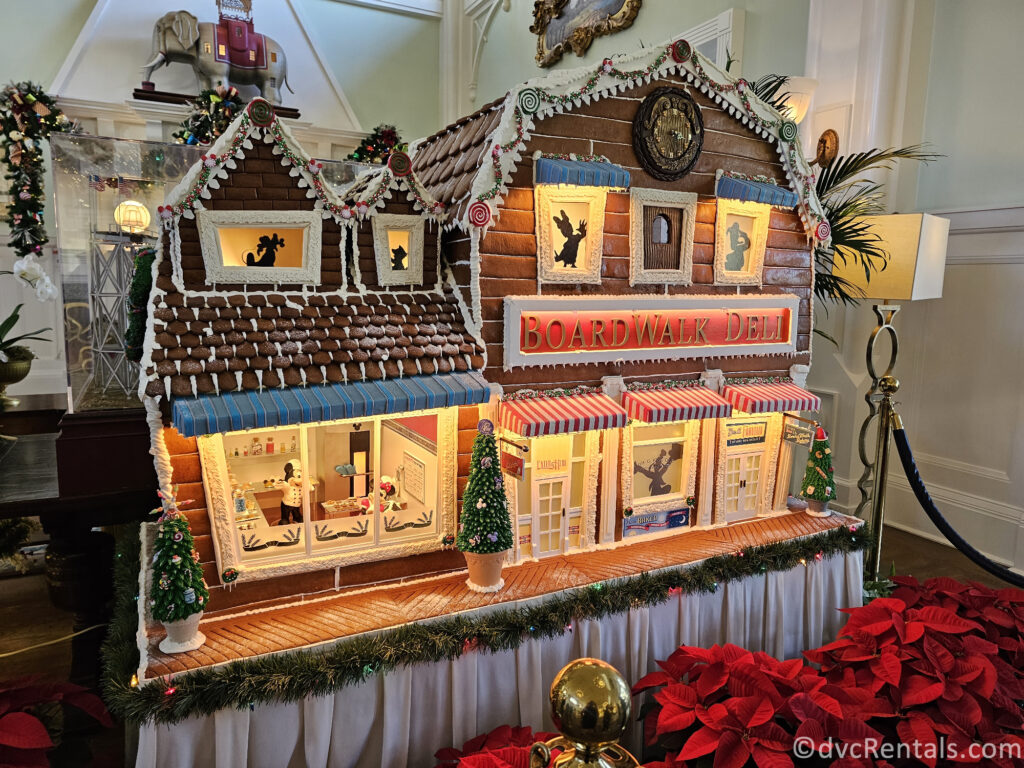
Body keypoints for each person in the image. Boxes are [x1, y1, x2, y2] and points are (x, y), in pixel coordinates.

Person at [274, 459, 305, 524]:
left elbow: (310, 488)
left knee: (296, 513)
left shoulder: (301, 487)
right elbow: (279, 485)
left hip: (296, 505)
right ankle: (285, 519)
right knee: (285, 518)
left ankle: (296, 517)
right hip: (286, 504)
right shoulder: (287, 486)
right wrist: (278, 481)